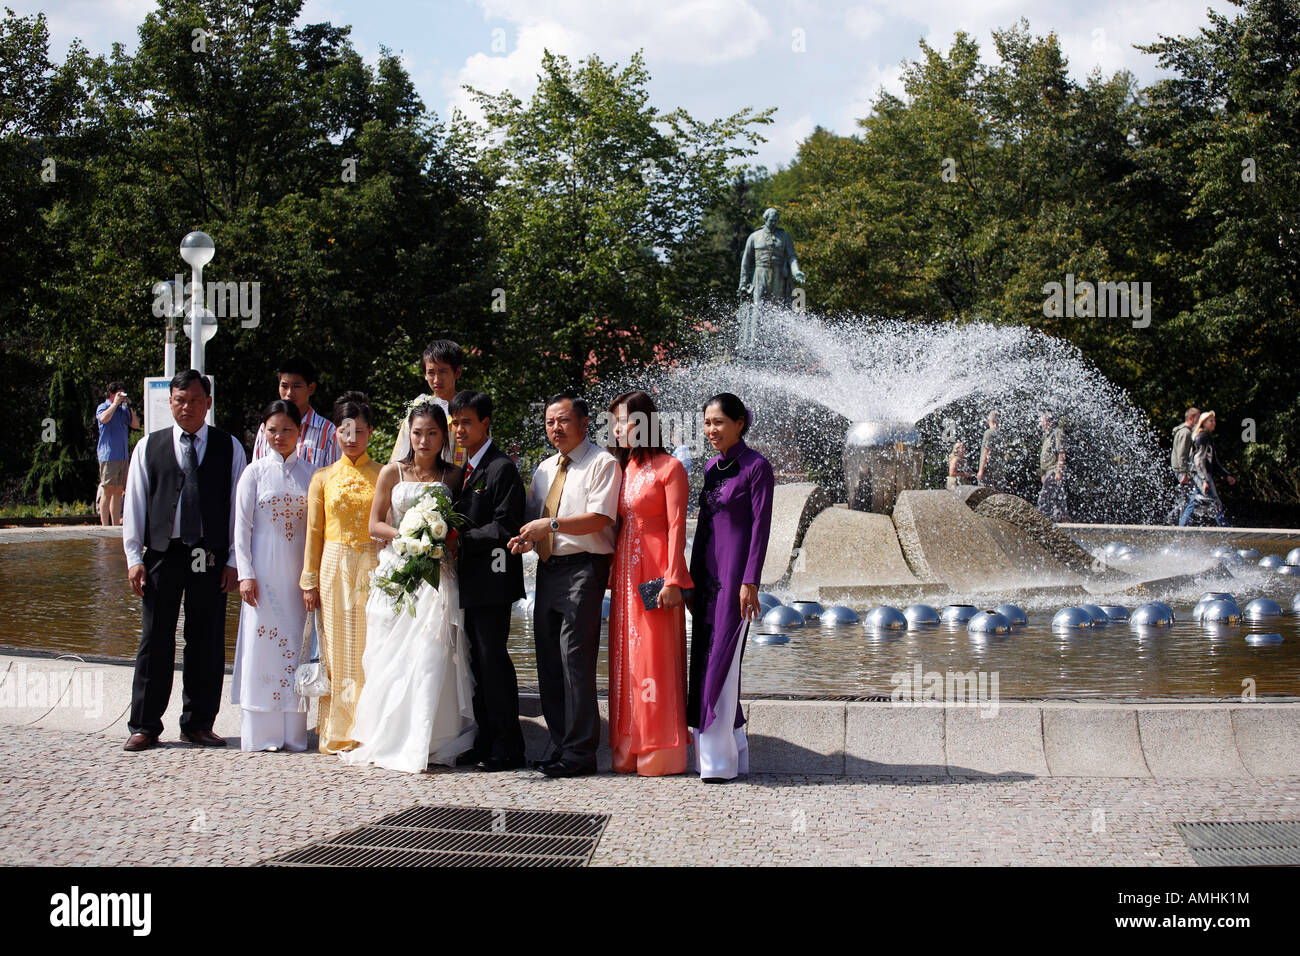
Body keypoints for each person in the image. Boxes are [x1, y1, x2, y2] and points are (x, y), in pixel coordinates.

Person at [340, 398, 476, 773]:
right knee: (390, 654)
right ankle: (391, 734)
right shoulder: (391, 472)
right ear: (409, 434)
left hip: (437, 576)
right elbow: (374, 525)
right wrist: (407, 535)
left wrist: (440, 538)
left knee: (432, 654)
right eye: (418, 433)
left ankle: (432, 738)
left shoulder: (454, 475)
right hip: (398, 570)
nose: (424, 440)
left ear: (442, 436)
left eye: (433, 433)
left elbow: (460, 526)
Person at [121, 370, 247, 752]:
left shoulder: (230, 447)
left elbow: (237, 509)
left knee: (206, 639)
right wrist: (133, 556)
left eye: (194, 400)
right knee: (154, 639)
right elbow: (135, 502)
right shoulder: (149, 446)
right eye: (179, 400)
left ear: (208, 403)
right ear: (170, 402)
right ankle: (144, 724)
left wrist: (233, 560)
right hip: (163, 552)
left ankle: (198, 723)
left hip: (207, 555)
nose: (187, 407)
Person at [508, 390, 620, 778]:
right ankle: (559, 745)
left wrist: (550, 525)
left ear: (584, 423)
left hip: (584, 569)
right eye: (550, 421)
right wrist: (528, 538)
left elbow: (598, 519)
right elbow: (539, 523)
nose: (555, 428)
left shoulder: (602, 463)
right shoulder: (543, 469)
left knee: (575, 658)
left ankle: (581, 752)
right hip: (549, 568)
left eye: (563, 420)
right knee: (549, 660)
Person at [687, 393, 774, 783]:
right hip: (706, 581)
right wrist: (690, 580)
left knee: (721, 662)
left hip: (736, 582)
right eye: (707, 423)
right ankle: (737, 748)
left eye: (718, 422)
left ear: (740, 423)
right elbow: (704, 527)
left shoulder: (757, 468)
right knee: (705, 659)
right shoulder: (710, 467)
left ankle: (718, 764)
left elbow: (760, 528)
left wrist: (750, 581)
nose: (711, 430)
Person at [606, 390, 692, 776]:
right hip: (625, 572)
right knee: (626, 656)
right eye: (615, 422)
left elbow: (678, 527)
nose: (618, 428)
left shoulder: (670, 467)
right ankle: (628, 746)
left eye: (624, 420)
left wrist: (674, 579)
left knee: (654, 655)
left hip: (656, 573)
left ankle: (657, 750)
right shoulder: (622, 469)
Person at [449, 390, 528, 772]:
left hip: (492, 581)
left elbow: (506, 525)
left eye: (466, 421)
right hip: (467, 580)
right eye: (455, 421)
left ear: (485, 423)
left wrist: (458, 540)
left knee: (492, 661)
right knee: (475, 663)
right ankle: (485, 738)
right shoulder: (461, 466)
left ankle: (508, 745)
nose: (459, 428)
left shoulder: (501, 468)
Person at [231, 400, 315, 752]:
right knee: (260, 644)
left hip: (297, 575)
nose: (279, 436)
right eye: (272, 429)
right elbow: (241, 527)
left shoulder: (311, 474)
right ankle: (262, 733)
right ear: (262, 431)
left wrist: (311, 577)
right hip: (262, 575)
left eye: (287, 429)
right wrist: (245, 573)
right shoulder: (254, 473)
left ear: (300, 432)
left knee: (295, 645)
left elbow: (316, 532)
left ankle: (293, 733)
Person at [300, 391, 381, 754]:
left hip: (370, 565)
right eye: (345, 431)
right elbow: (313, 533)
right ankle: (336, 729)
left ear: (370, 433)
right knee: (334, 648)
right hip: (332, 566)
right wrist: (308, 579)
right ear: (335, 433)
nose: (352, 438)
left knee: (367, 648)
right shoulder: (322, 477)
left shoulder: (383, 475)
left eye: (359, 431)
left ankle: (367, 727)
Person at [251, 358, 339, 469]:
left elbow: (334, 477)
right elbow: (257, 470)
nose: (289, 393)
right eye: (284, 386)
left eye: (296, 386)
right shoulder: (266, 428)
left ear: (311, 388)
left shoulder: (328, 432)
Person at [390, 340, 466, 466]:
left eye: (443, 371)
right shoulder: (418, 408)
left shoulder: (470, 410)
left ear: (457, 372)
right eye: (431, 372)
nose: (437, 380)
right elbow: (402, 455)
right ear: (425, 374)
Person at [1179, 410, 1236, 527]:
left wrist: (1227, 474)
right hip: (1200, 474)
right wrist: (1204, 479)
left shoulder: (1208, 437)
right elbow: (1198, 461)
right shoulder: (1202, 437)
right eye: (1211, 421)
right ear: (1203, 423)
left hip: (1201, 474)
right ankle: (1226, 528)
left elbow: (1213, 461)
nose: (1214, 423)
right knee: (1214, 501)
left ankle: (1181, 528)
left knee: (1194, 502)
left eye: (1214, 420)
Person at [96, 381, 141, 526]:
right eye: (118, 394)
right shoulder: (103, 407)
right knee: (107, 491)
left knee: (118, 491)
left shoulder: (123, 411)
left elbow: (135, 425)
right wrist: (115, 404)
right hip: (109, 456)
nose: (120, 397)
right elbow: (103, 419)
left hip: (122, 456)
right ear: (111, 394)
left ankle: (115, 525)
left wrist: (129, 406)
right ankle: (104, 525)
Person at [1167, 406, 1200, 525]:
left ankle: (1177, 521)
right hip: (1182, 470)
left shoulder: (1182, 431)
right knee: (1187, 499)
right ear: (1191, 418)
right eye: (1198, 418)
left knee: (1187, 498)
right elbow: (1182, 455)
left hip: (1181, 469)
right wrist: (1184, 474)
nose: (1199, 421)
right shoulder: (1185, 433)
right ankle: (1180, 525)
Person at [1036, 412, 1068, 522]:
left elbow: (1061, 452)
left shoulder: (1057, 433)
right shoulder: (1048, 435)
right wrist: (1043, 473)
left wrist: (1058, 471)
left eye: (1042, 421)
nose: (1041, 424)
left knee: (1043, 501)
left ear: (1048, 422)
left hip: (1054, 472)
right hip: (1048, 472)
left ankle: (1041, 522)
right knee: (1057, 501)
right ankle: (1063, 523)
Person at [976, 410, 1005, 491]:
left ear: (989, 420)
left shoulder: (988, 433)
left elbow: (986, 452)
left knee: (985, 494)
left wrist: (981, 471)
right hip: (999, 471)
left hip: (988, 472)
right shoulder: (1001, 434)